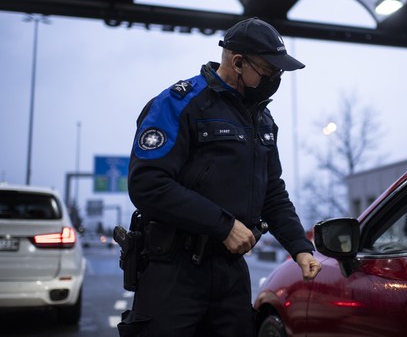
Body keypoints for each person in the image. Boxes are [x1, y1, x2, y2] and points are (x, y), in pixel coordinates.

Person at [117, 17, 322, 336]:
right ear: (238, 62)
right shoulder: (179, 103)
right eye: (270, 70)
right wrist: (223, 225)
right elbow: (148, 184)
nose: (276, 78)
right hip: (174, 269)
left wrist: (299, 247)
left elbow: (273, 193)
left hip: (230, 270)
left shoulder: (262, 119)